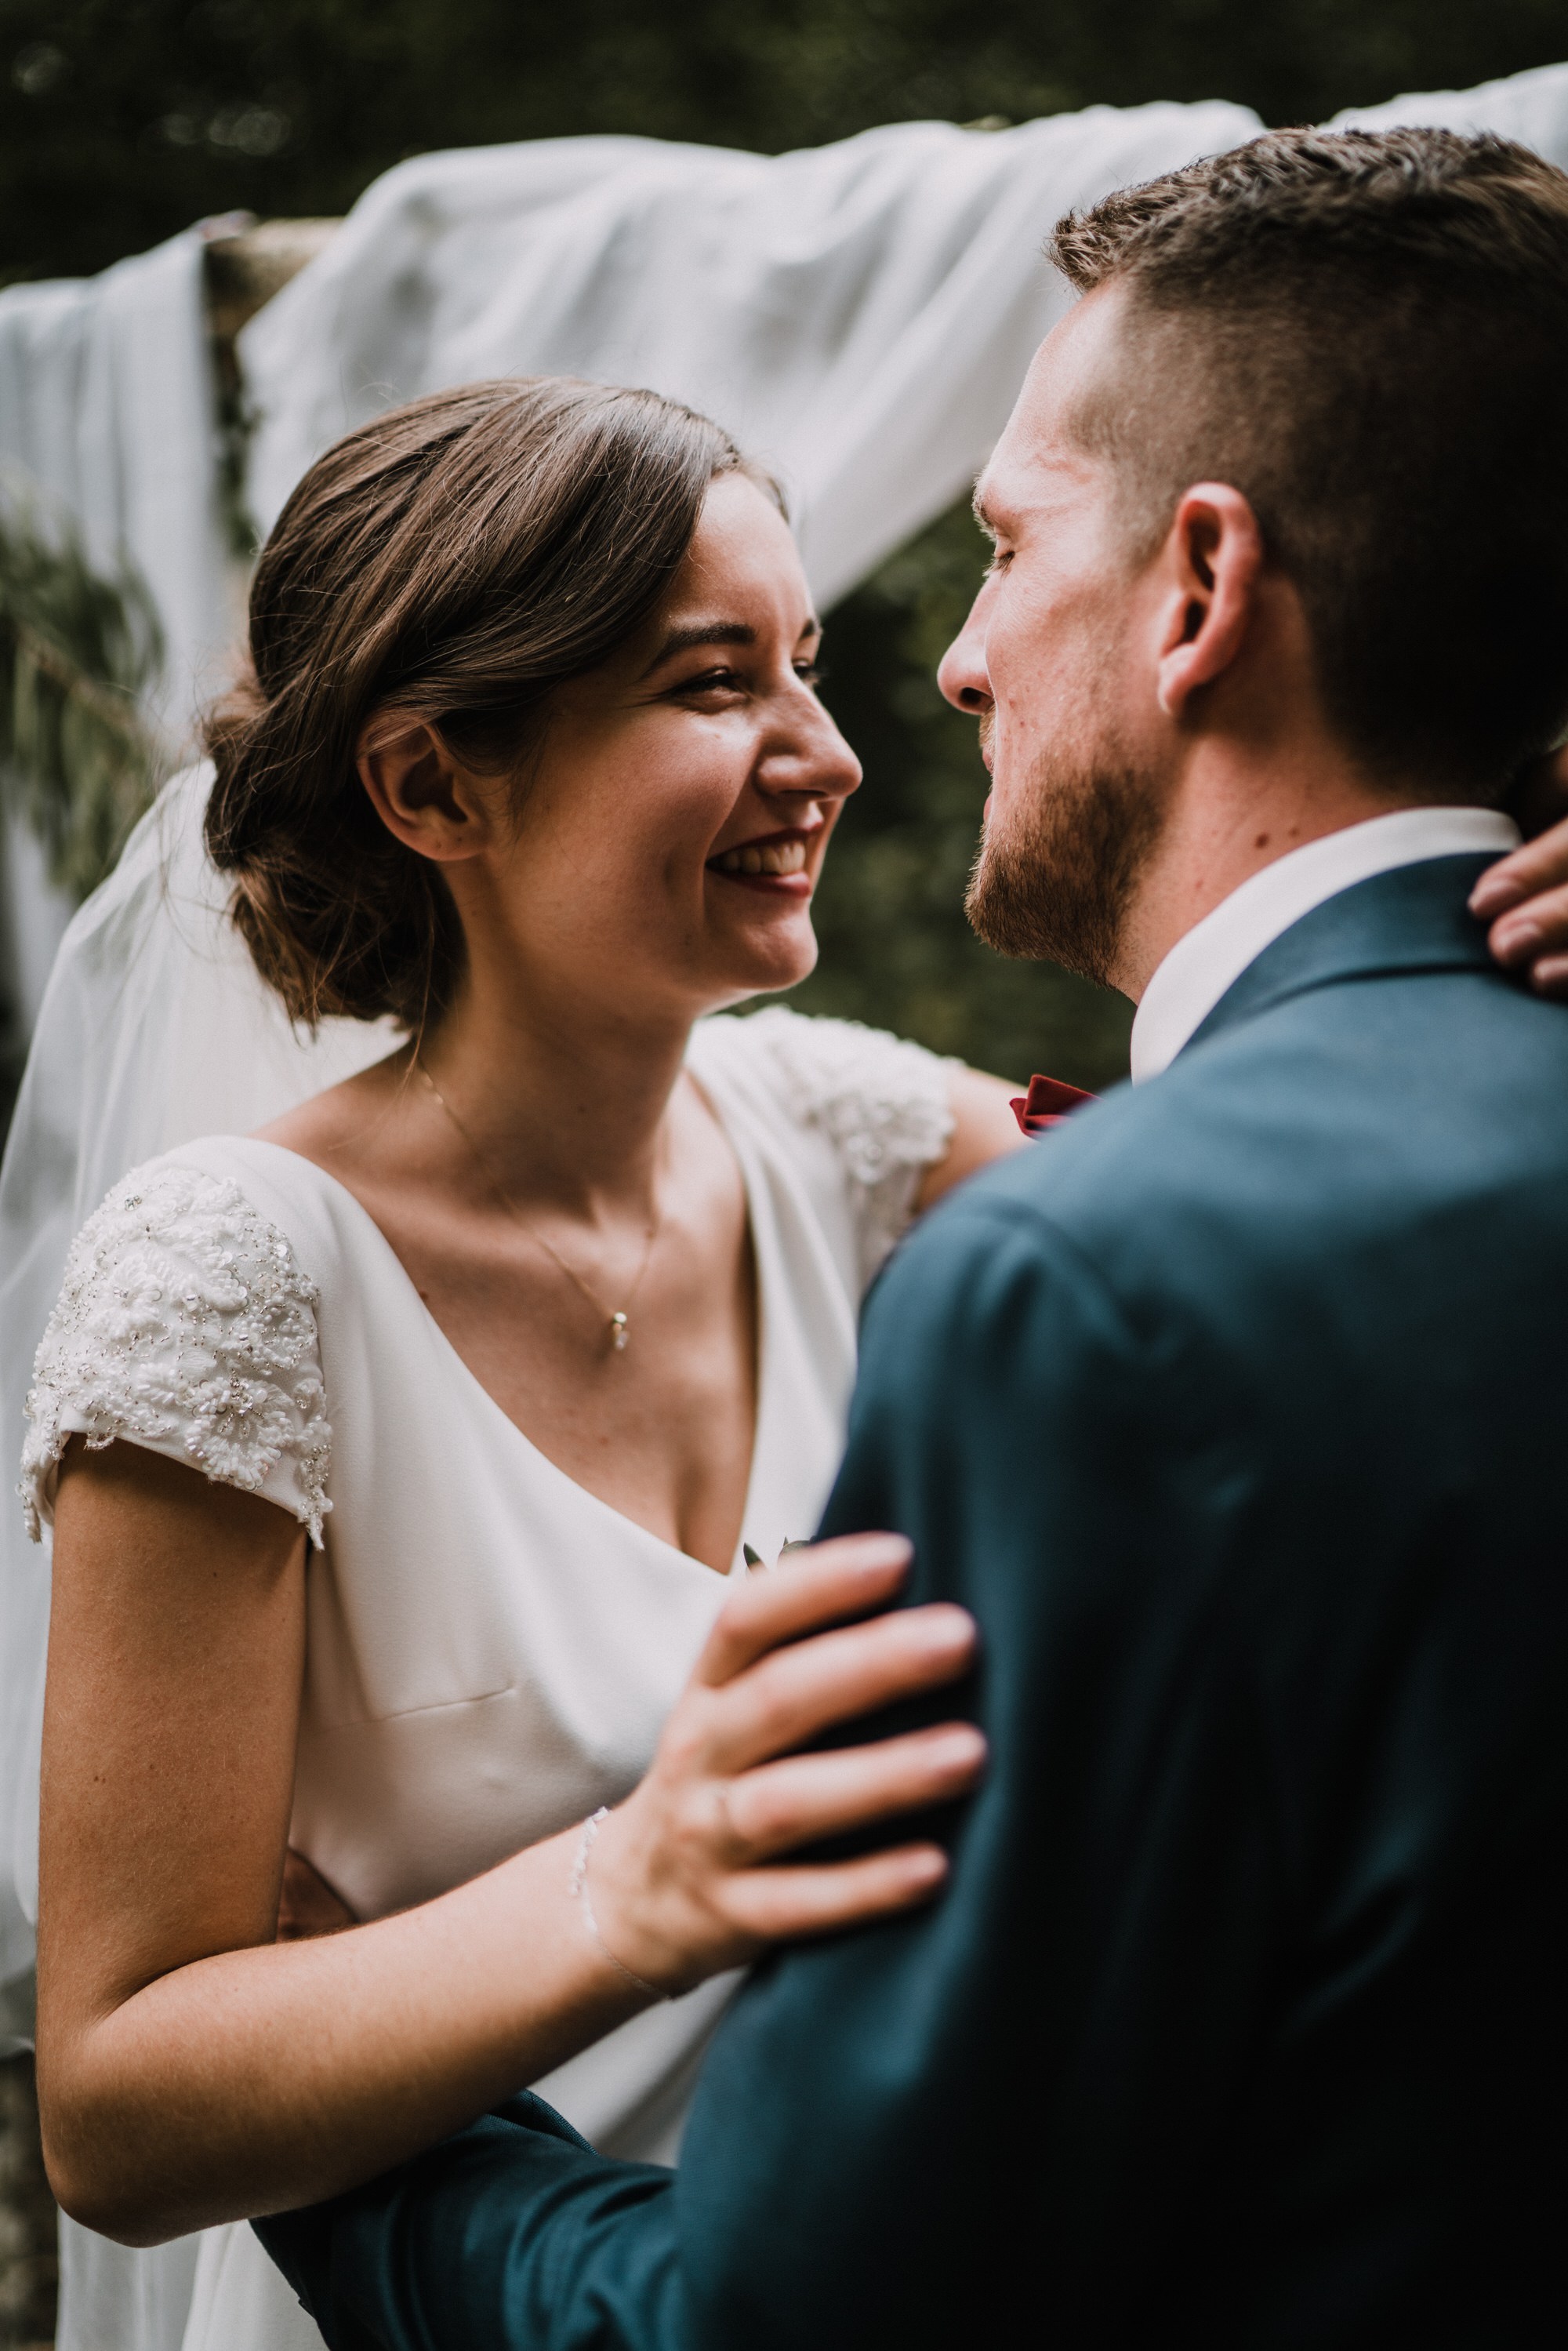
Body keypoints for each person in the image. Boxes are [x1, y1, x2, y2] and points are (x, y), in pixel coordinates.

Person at [256, 125, 1568, 2349]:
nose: (941, 672)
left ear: (1202, 584)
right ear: (429, 788)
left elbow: (815, 2311)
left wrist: (384, 2162)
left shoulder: (1083, 1280)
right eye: (711, 676)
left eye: (1003, 542)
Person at [24, 379, 1011, 2351]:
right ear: (433, 787)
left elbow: (1312, 1179)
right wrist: (632, 1882)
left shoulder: (852, 1144)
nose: (822, 753)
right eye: (711, 684)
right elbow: (116, 2103)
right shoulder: (233, 1271)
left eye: (803, 665)